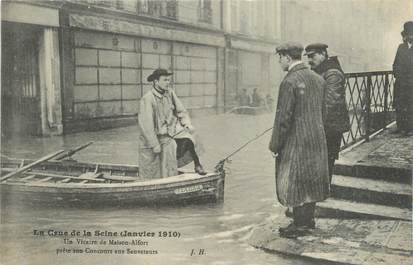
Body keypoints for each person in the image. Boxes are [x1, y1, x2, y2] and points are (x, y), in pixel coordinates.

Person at [269, 42, 329, 238]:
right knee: (311, 179)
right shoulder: (318, 79)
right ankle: (308, 220)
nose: (279, 61)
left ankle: (299, 224)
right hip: (317, 139)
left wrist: (275, 144)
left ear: (287, 57)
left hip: (296, 141)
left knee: (294, 180)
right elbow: (323, 111)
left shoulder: (289, 82)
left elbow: (283, 119)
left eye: (280, 57)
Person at [138, 68, 206, 179]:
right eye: (165, 80)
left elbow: (181, 111)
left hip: (171, 133)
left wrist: (186, 124)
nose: (168, 83)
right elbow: (146, 126)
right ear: (156, 81)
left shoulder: (170, 93)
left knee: (191, 137)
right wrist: (154, 144)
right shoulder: (147, 99)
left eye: (169, 80)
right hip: (155, 139)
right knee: (154, 173)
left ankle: (197, 165)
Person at [305, 43, 350, 183]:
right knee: (320, 159)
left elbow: (331, 103)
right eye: (308, 57)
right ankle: (321, 188)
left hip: (330, 126)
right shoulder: (320, 71)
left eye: (313, 56)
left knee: (327, 159)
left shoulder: (333, 73)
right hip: (323, 124)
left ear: (323, 54)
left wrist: (317, 126)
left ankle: (324, 190)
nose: (309, 60)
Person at [393, 21, 413, 136]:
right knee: (400, 105)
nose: (409, 37)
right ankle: (401, 127)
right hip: (401, 83)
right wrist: (397, 74)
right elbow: (395, 64)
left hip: (411, 83)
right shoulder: (401, 47)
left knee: (411, 105)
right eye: (408, 35)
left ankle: (410, 128)